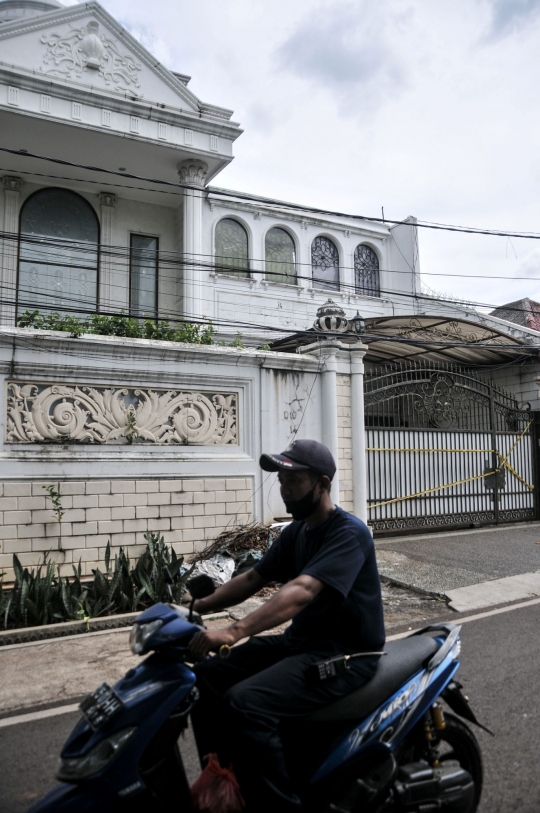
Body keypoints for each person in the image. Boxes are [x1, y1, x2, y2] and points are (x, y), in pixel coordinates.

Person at [188, 439, 385, 813]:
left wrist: (234, 631)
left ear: (323, 484)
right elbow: (252, 578)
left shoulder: (349, 533)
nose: (284, 489)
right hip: (302, 644)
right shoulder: (296, 533)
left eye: (294, 480)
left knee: (246, 703)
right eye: (281, 480)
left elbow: (303, 590)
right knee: (207, 678)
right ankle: (224, 781)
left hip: (346, 654)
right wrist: (197, 605)